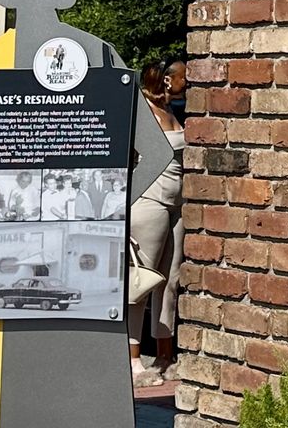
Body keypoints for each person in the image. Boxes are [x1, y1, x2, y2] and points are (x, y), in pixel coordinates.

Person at [127, 58, 186, 385]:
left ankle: (165, 356)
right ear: (165, 80)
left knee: (170, 280)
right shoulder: (143, 113)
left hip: (176, 202)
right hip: (149, 201)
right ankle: (134, 361)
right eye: (182, 77)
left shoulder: (171, 112)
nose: (186, 83)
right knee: (143, 279)